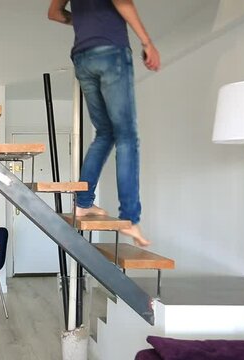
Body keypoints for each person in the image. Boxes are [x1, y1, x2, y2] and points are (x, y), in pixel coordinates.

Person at [48, 0, 160, 247]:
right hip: (110, 52)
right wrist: (147, 42)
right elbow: (123, 2)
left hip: (82, 58)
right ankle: (130, 218)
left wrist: (82, 20)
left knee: (105, 133)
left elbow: (54, 14)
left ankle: (83, 203)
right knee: (127, 137)